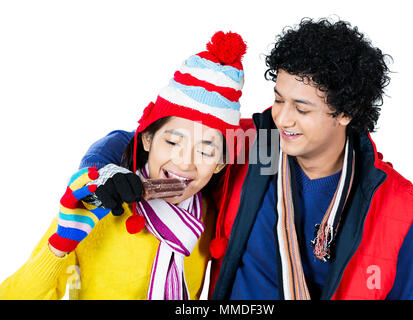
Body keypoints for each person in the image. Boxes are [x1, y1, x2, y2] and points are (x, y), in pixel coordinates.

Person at [30, 17, 413, 300]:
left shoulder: (396, 208)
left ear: (346, 113)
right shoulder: (255, 147)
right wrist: (104, 173)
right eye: (278, 99)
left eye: (302, 109)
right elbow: (143, 137)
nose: (283, 118)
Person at [0, 31, 247, 300]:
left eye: (205, 150)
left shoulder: (209, 219)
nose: (184, 162)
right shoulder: (98, 200)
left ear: (221, 163)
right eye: (173, 142)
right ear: (147, 139)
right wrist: (60, 245)